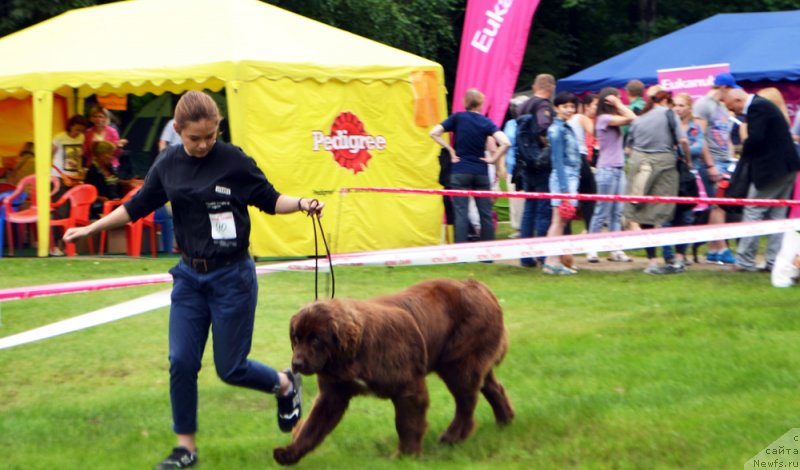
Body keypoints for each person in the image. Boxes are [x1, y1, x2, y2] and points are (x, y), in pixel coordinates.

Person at [63, 91, 321, 469]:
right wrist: (91, 228)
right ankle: (186, 448)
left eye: (209, 137)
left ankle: (285, 385)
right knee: (181, 361)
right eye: (194, 138)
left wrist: (301, 203)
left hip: (232, 276)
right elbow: (134, 207)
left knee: (231, 368)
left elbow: (270, 199)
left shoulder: (233, 161)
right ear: (178, 130)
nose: (202, 145)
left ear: (217, 129)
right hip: (188, 278)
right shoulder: (168, 163)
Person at [723, 88, 800, 272]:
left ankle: (745, 261)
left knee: (753, 209)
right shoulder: (763, 105)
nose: (735, 113)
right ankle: (774, 260)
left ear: (738, 99)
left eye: (733, 108)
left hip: (773, 170)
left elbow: (756, 139)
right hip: (787, 167)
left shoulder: (757, 108)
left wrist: (743, 148)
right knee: (778, 215)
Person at [430, 88, 510, 244]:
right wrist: (493, 159)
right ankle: (488, 253)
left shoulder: (457, 118)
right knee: (485, 214)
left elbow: (433, 133)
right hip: (481, 172)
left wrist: (450, 149)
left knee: (461, 213)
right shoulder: (486, 122)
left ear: (464, 102)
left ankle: (461, 253)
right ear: (481, 104)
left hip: (460, 171)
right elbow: (506, 142)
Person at [624, 90, 691, 274]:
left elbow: (628, 149)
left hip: (639, 165)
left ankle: (652, 261)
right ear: (664, 101)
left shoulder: (639, 119)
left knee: (644, 212)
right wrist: (688, 159)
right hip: (665, 165)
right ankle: (677, 259)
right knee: (673, 209)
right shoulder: (669, 113)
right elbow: (683, 140)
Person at [586, 88, 637, 263]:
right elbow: (631, 117)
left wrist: (618, 104)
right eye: (616, 98)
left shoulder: (609, 119)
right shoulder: (603, 119)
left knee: (617, 211)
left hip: (618, 168)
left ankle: (615, 249)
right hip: (606, 169)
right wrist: (619, 104)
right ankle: (592, 249)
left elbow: (634, 119)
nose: (619, 101)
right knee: (602, 210)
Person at [691, 73, 736, 263]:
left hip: (724, 160)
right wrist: (710, 165)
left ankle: (713, 249)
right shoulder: (703, 104)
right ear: (724, 88)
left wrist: (732, 158)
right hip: (713, 162)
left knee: (720, 206)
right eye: (731, 90)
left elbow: (726, 136)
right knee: (718, 205)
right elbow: (700, 137)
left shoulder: (721, 108)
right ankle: (722, 248)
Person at [661, 92, 705, 267]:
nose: (678, 109)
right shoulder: (666, 125)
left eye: (681, 105)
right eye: (675, 105)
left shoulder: (696, 128)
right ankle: (667, 254)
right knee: (667, 215)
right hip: (669, 174)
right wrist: (685, 147)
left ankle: (681, 254)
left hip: (688, 177)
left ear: (689, 108)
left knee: (686, 215)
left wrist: (679, 148)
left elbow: (699, 147)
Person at [518, 73, 556, 267]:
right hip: (541, 165)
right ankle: (542, 255)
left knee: (529, 210)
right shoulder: (544, 106)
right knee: (543, 210)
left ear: (535, 86)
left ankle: (525, 256)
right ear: (550, 87)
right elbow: (544, 127)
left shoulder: (523, 105)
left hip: (526, 165)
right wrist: (548, 143)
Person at [541, 92, 581, 275]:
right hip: (563, 178)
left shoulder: (564, 127)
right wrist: (565, 189)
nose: (569, 110)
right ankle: (551, 261)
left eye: (572, 106)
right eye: (565, 106)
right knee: (558, 221)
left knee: (560, 222)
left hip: (569, 177)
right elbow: (557, 161)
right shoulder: (556, 130)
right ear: (557, 108)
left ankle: (553, 261)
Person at [84, 141, 123, 219]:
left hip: (115, 202)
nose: (111, 157)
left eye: (112, 154)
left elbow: (115, 182)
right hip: (101, 205)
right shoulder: (93, 171)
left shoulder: (110, 167)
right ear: (100, 155)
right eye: (108, 154)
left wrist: (129, 182)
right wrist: (100, 198)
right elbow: (87, 193)